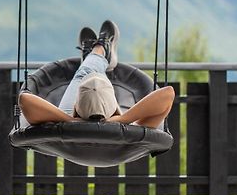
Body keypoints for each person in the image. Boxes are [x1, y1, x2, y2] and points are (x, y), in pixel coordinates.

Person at [19, 20, 175, 128]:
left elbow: (24, 99)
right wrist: (122, 120)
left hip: (69, 130)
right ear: (115, 106)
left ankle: (97, 53)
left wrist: (71, 120)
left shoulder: (62, 125)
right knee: (89, 76)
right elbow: (168, 93)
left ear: (76, 107)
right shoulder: (131, 130)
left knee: (84, 74)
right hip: (116, 133)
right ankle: (101, 51)